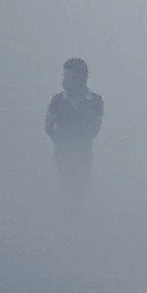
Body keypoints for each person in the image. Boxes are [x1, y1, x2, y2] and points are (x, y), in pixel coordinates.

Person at [45, 57, 105, 205]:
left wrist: (80, 138)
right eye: (64, 76)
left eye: (70, 77)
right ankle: (67, 217)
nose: (65, 81)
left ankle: (75, 218)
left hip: (84, 151)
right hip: (62, 152)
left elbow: (95, 128)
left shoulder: (95, 101)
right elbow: (48, 126)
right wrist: (60, 140)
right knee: (67, 185)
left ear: (81, 78)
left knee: (80, 187)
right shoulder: (57, 100)